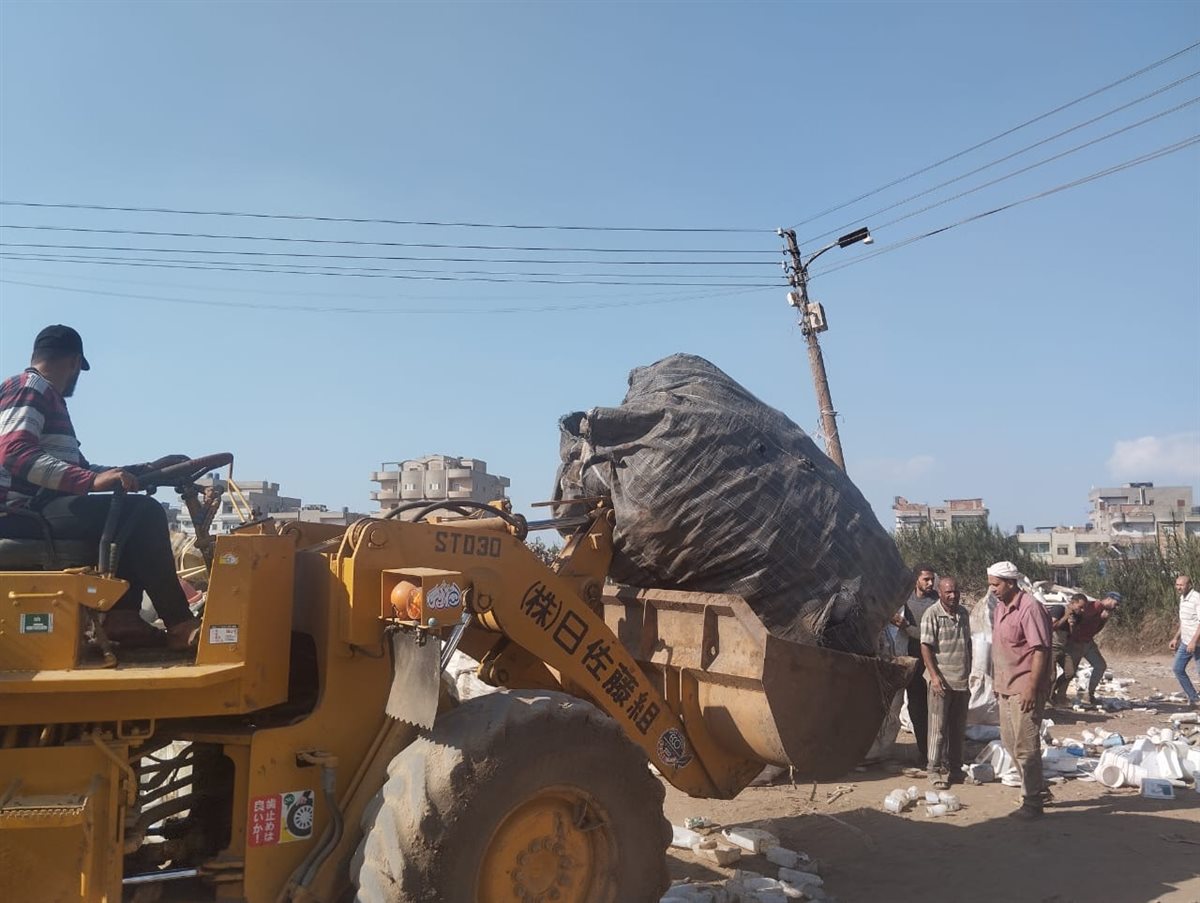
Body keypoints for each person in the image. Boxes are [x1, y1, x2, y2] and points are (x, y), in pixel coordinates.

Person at [0, 325, 201, 650]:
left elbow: (78, 468)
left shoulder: (39, 394)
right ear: (75, 363)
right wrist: (91, 482)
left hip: (36, 508)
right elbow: (14, 452)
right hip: (20, 513)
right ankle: (180, 624)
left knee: (126, 512)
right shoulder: (31, 388)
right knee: (144, 513)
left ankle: (123, 618)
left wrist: (144, 471)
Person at [987, 560, 1052, 819]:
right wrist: (997, 683)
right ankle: (1037, 788)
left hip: (1025, 686)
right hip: (1006, 686)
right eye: (991, 584)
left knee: (1026, 746)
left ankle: (1033, 801)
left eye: (996, 584)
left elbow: (1040, 650)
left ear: (1010, 583)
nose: (992, 589)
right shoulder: (1000, 608)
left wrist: (1031, 689)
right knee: (1010, 743)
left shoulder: (1030, 608)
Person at [920, 576, 971, 789]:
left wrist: (970, 672)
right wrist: (934, 676)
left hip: (961, 680)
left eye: (955, 591)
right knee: (937, 729)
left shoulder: (963, 613)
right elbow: (925, 646)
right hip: (940, 681)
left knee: (957, 729)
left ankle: (956, 770)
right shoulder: (932, 614)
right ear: (940, 593)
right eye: (948, 592)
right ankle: (933, 770)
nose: (953, 595)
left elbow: (968, 643)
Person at [891, 564, 937, 765]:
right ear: (916, 579)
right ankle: (923, 751)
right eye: (926, 579)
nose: (930, 583)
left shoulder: (935, 602)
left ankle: (931, 753)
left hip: (929, 662)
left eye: (932, 579)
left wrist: (906, 627)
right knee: (913, 707)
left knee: (930, 708)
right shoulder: (904, 599)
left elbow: (929, 636)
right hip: (908, 660)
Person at [1062, 592, 1121, 705]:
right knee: (1070, 671)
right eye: (1116, 603)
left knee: (1100, 665)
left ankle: (1089, 694)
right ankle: (1059, 696)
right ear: (1109, 599)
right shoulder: (1095, 606)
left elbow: (1095, 629)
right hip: (1077, 642)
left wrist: (1103, 620)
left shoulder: (1103, 611)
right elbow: (1081, 619)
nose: (1116, 607)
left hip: (1088, 642)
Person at [1049, 593, 1087, 705]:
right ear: (1073, 603)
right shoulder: (1059, 609)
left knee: (1070, 672)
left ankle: (1052, 693)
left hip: (1064, 648)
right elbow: (1052, 626)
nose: (1082, 610)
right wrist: (1065, 617)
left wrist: (1072, 625)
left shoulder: (1077, 617)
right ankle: (1047, 698)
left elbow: (1073, 635)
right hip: (1051, 647)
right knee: (1051, 676)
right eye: (1080, 607)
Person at [1170, 574, 1200, 708]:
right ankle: (1194, 698)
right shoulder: (1182, 598)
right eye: (1177, 585)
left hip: (1197, 643)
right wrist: (1176, 637)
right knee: (1177, 668)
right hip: (1185, 641)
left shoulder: (1197, 599)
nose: (1178, 588)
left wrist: (1194, 641)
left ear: (1189, 585)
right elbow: (1185, 622)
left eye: (1181, 585)